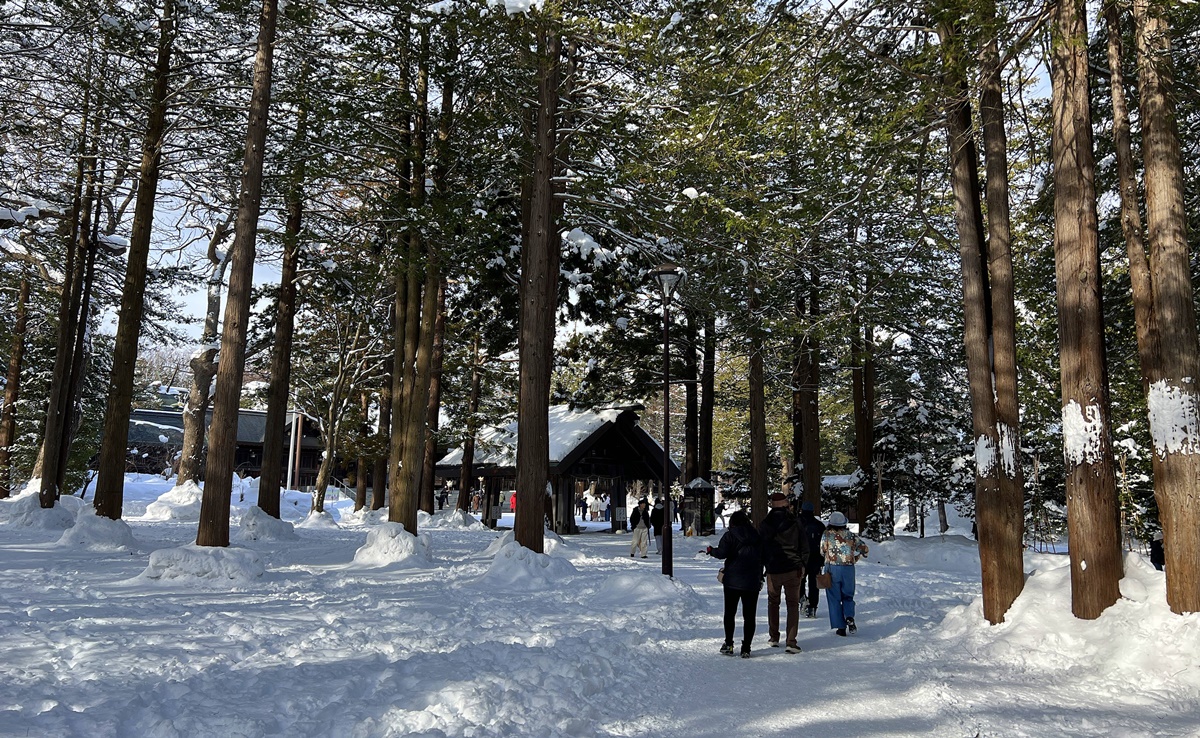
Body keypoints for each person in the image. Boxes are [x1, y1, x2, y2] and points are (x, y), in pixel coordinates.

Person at [705, 510, 765, 658]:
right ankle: (746, 648)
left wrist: (711, 551)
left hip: (732, 580)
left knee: (730, 613)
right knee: (750, 616)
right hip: (751, 581)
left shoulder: (730, 535)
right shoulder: (757, 536)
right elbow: (763, 556)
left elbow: (721, 553)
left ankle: (729, 644)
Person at [758, 492, 808, 653]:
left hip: (773, 569)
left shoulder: (765, 524)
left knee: (773, 603)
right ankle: (791, 641)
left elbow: (761, 548)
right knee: (792, 604)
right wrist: (802, 564)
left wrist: (764, 566)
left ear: (771, 504)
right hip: (793, 568)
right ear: (785, 503)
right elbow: (804, 546)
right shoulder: (795, 522)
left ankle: (774, 637)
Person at [820, 511, 869, 637]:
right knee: (848, 595)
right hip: (848, 569)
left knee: (834, 598)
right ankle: (849, 616)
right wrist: (857, 556)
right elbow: (864, 548)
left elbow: (822, 550)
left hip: (832, 569)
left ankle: (840, 627)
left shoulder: (826, 535)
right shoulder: (851, 536)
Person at [799, 501, 826, 618]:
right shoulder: (819, 525)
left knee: (800, 580)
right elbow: (824, 544)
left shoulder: (795, 523)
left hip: (800, 558)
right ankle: (813, 607)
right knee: (814, 583)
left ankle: (802, 598)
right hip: (816, 558)